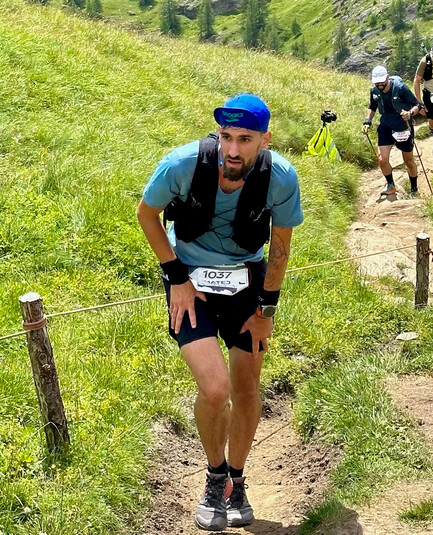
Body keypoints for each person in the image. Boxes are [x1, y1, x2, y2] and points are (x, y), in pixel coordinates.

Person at [136, 94, 303, 530]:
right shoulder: (182, 165)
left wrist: (267, 309)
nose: (232, 149)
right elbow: (147, 214)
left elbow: (281, 245)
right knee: (214, 389)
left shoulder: (281, 177)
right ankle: (214, 477)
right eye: (226, 137)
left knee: (246, 387)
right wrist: (176, 278)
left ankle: (238, 478)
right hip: (189, 281)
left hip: (248, 282)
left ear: (265, 140)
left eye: (244, 139)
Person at [363, 65, 422, 197]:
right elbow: (372, 107)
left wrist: (410, 113)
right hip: (385, 125)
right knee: (382, 159)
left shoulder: (400, 88)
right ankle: (390, 185)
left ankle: (414, 189)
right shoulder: (374, 91)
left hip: (403, 126)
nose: (380, 85)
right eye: (377, 82)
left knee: (408, 160)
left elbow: (417, 105)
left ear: (388, 78)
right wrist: (368, 120)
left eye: (382, 82)